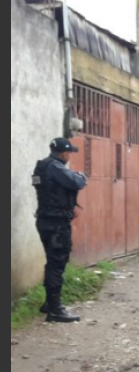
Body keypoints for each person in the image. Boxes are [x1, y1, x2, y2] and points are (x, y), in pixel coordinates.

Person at [33, 137, 88, 324]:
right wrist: (81, 175)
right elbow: (78, 183)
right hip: (56, 224)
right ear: (64, 153)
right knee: (57, 262)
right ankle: (55, 310)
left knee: (53, 262)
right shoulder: (56, 168)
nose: (70, 155)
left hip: (46, 220)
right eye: (70, 152)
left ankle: (50, 303)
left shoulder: (42, 166)